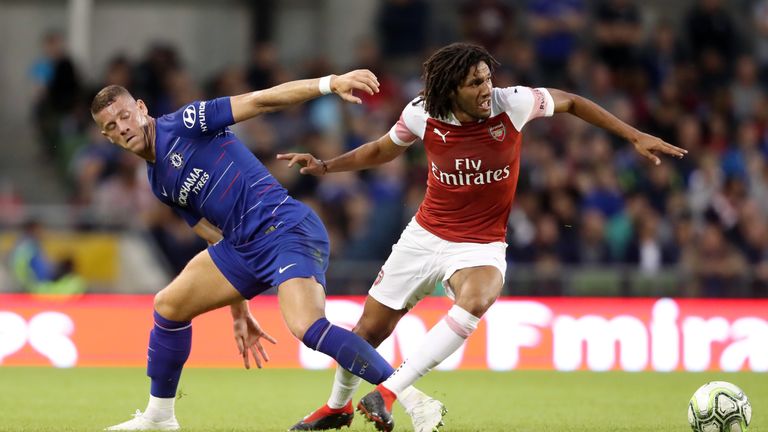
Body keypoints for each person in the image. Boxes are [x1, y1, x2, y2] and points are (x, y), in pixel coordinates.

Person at [279, 42, 687, 432]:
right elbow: (383, 149)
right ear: (450, 89)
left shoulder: (513, 104)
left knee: (478, 297)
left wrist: (633, 135)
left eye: (487, 78)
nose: (486, 89)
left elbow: (573, 102)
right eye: (475, 83)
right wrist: (327, 166)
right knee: (367, 332)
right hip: (423, 236)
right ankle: (337, 407)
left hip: (480, 243)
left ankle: (389, 391)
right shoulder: (422, 114)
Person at [90, 71, 435, 431]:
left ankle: (411, 398)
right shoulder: (157, 180)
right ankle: (159, 417)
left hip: (284, 228)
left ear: (142, 108)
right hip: (242, 246)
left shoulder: (186, 123)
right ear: (106, 136)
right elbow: (214, 236)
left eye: (126, 115)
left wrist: (328, 84)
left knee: (307, 327)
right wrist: (239, 311)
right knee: (169, 306)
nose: (122, 127)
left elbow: (260, 100)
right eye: (111, 125)